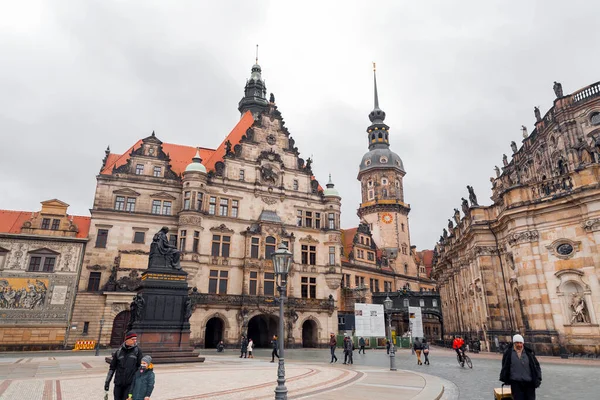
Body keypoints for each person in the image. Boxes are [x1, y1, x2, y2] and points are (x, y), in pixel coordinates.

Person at [500, 334, 542, 400]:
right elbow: (505, 366)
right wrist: (505, 378)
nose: (519, 345)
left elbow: (536, 366)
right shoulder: (508, 353)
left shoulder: (529, 353)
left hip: (529, 383)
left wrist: (538, 378)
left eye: (520, 343)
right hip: (516, 383)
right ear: (514, 343)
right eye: (517, 343)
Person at [105, 331, 144, 400]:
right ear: (127, 340)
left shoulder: (138, 351)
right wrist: (107, 382)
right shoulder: (119, 352)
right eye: (133, 339)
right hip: (118, 383)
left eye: (135, 339)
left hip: (130, 384)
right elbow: (112, 368)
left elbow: (140, 368)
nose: (135, 341)